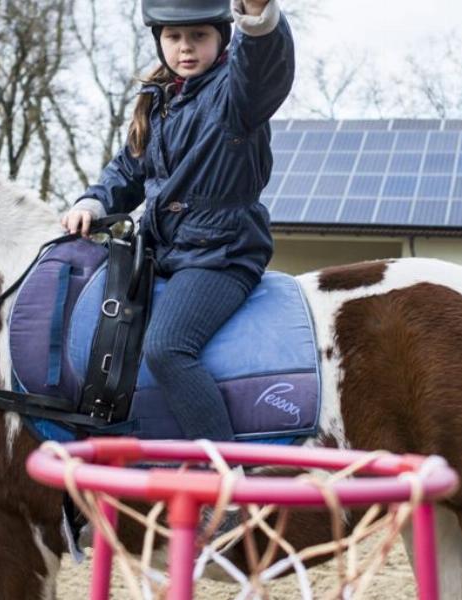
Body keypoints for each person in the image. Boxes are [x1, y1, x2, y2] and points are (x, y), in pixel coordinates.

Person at [62, 0, 294, 441]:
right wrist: (92, 203)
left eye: (199, 37)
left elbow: (264, 66)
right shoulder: (160, 100)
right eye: (174, 38)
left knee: (167, 349)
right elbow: (129, 170)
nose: (185, 48)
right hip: (162, 251)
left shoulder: (236, 93)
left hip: (220, 254)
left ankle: (225, 482)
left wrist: (258, 16)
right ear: (159, 40)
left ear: (222, 38)